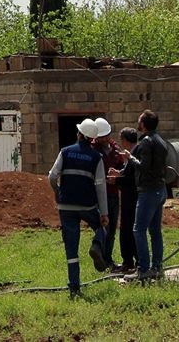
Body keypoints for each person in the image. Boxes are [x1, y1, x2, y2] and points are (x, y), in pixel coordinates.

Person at [48, 118, 109, 298]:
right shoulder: (96, 157)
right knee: (101, 227)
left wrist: (57, 191)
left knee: (71, 248)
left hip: (66, 205)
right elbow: (100, 186)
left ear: (79, 134)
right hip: (87, 205)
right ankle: (97, 245)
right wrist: (104, 213)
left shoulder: (65, 152)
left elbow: (52, 176)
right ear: (92, 139)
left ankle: (74, 288)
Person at [121, 109, 168, 282]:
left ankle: (143, 269)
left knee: (138, 230)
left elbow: (144, 166)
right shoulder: (161, 140)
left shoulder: (147, 142)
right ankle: (157, 267)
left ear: (144, 124)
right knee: (155, 231)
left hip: (148, 191)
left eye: (140, 120)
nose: (137, 123)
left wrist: (129, 158)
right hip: (160, 189)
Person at [92, 117, 126, 267]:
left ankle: (108, 259)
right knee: (103, 226)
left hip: (113, 193)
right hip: (99, 195)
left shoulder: (115, 149)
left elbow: (122, 166)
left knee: (112, 229)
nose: (105, 139)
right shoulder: (92, 150)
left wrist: (117, 173)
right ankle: (100, 255)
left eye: (107, 135)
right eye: (102, 137)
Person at [108, 127, 139, 273]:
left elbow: (133, 179)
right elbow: (128, 172)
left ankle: (133, 261)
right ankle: (129, 260)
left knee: (129, 229)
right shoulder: (131, 155)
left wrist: (117, 182)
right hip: (129, 197)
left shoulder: (135, 155)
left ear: (125, 140)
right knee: (127, 229)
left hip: (132, 198)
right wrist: (118, 173)